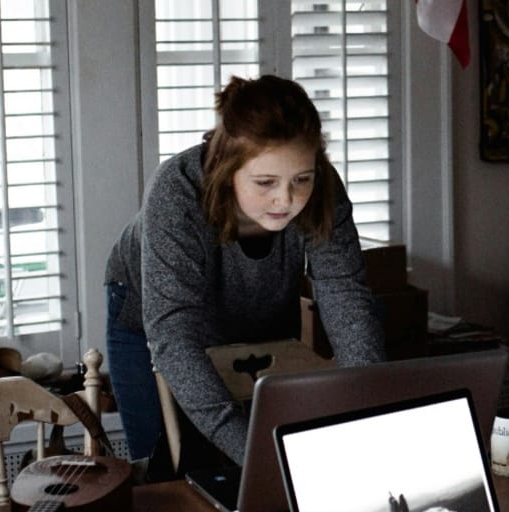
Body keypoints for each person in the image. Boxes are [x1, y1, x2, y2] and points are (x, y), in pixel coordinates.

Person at [104, 75, 385, 472]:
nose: (286, 199)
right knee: (164, 470)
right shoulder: (176, 191)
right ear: (227, 168)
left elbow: (347, 298)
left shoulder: (323, 188)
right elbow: (175, 336)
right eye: (265, 182)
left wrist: (368, 411)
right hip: (153, 319)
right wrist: (257, 457)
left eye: (301, 180)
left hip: (260, 308)